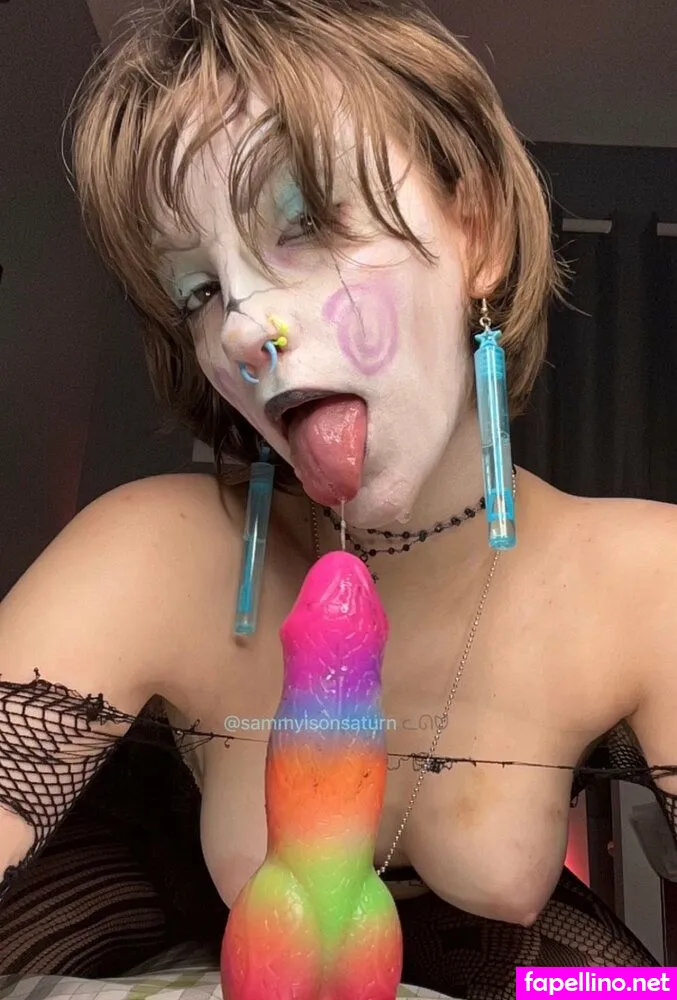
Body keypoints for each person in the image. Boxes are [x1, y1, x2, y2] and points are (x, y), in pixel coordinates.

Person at [1, 0, 675, 995]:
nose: (241, 329)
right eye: (198, 291)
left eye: (307, 223)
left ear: (478, 233)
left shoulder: (647, 577)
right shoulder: (152, 555)